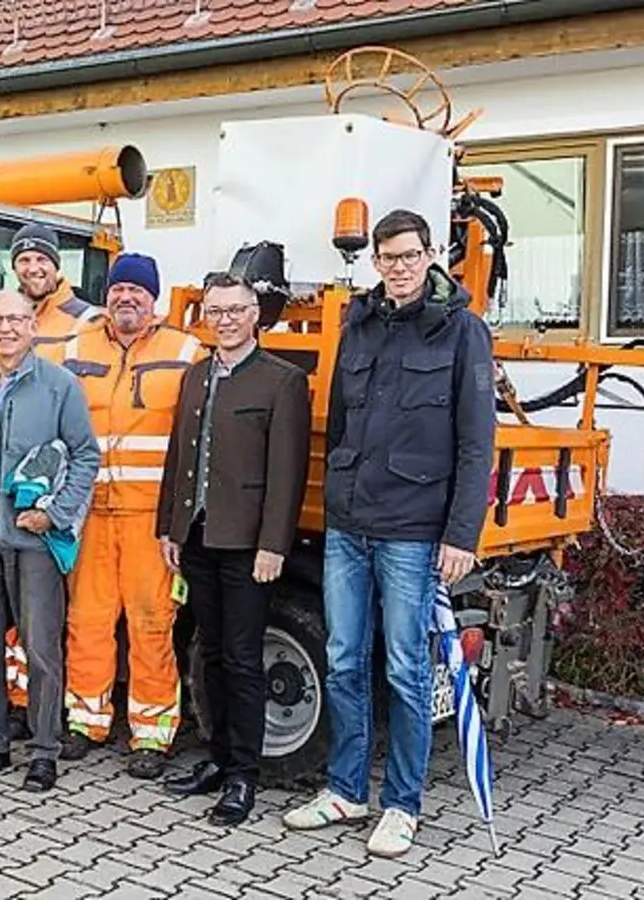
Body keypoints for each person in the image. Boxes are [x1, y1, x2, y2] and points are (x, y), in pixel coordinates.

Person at [282, 209, 495, 857]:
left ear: (433, 255)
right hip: (351, 524)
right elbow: (342, 421)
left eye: (409, 255)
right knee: (345, 660)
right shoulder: (360, 324)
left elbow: (476, 442)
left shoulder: (462, 333)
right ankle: (346, 790)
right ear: (374, 261)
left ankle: (403, 805)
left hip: (413, 530)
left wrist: (461, 535)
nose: (398, 267)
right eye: (388, 257)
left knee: (405, 671)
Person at [156, 272, 311, 825]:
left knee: (245, 660)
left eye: (234, 310)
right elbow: (180, 458)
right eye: (214, 310)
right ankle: (217, 761)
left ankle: (243, 777)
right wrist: (170, 528)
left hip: (248, 545)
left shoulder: (281, 381)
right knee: (212, 653)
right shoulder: (196, 377)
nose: (223, 319)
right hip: (198, 536)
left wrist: (274, 545)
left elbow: (286, 472)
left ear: (255, 315)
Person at [46, 253, 206, 778]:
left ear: (153, 299)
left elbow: (200, 440)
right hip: (89, 515)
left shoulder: (186, 351)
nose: (126, 299)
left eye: (137, 291)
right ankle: (85, 721)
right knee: (86, 621)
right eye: (118, 290)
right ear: (106, 295)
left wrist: (183, 523)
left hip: (149, 520)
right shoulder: (75, 347)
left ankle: (151, 735)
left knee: (152, 623)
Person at [0, 289, 99, 791]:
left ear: (32, 326)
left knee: (42, 650)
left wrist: (56, 515)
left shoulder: (59, 385)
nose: (5, 328)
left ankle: (45, 751)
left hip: (34, 546)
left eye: (15, 319)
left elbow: (86, 456)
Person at [0, 223, 108, 739]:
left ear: (58, 266)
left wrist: (61, 506)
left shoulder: (89, 321)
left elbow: (84, 433)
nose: (33, 268)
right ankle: (15, 706)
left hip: (53, 505)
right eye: (24, 260)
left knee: (48, 627)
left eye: (42, 260)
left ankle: (48, 725)